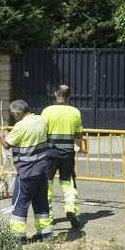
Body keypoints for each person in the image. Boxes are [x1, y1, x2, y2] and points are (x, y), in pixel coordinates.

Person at [0, 99, 52, 243]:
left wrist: (1, 136)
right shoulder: (41, 120)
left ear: (18, 113)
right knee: (41, 201)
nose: (13, 116)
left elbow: (7, 145)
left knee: (20, 202)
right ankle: (45, 233)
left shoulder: (20, 126)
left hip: (27, 172)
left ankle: (18, 236)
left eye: (14, 114)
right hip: (42, 170)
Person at [41, 84, 85, 229]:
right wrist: (78, 148)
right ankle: (71, 209)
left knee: (47, 184)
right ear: (69, 96)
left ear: (56, 94)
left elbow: (41, 132)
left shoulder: (47, 111)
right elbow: (79, 135)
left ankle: (49, 215)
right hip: (67, 153)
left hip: (50, 153)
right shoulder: (75, 112)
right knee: (68, 182)